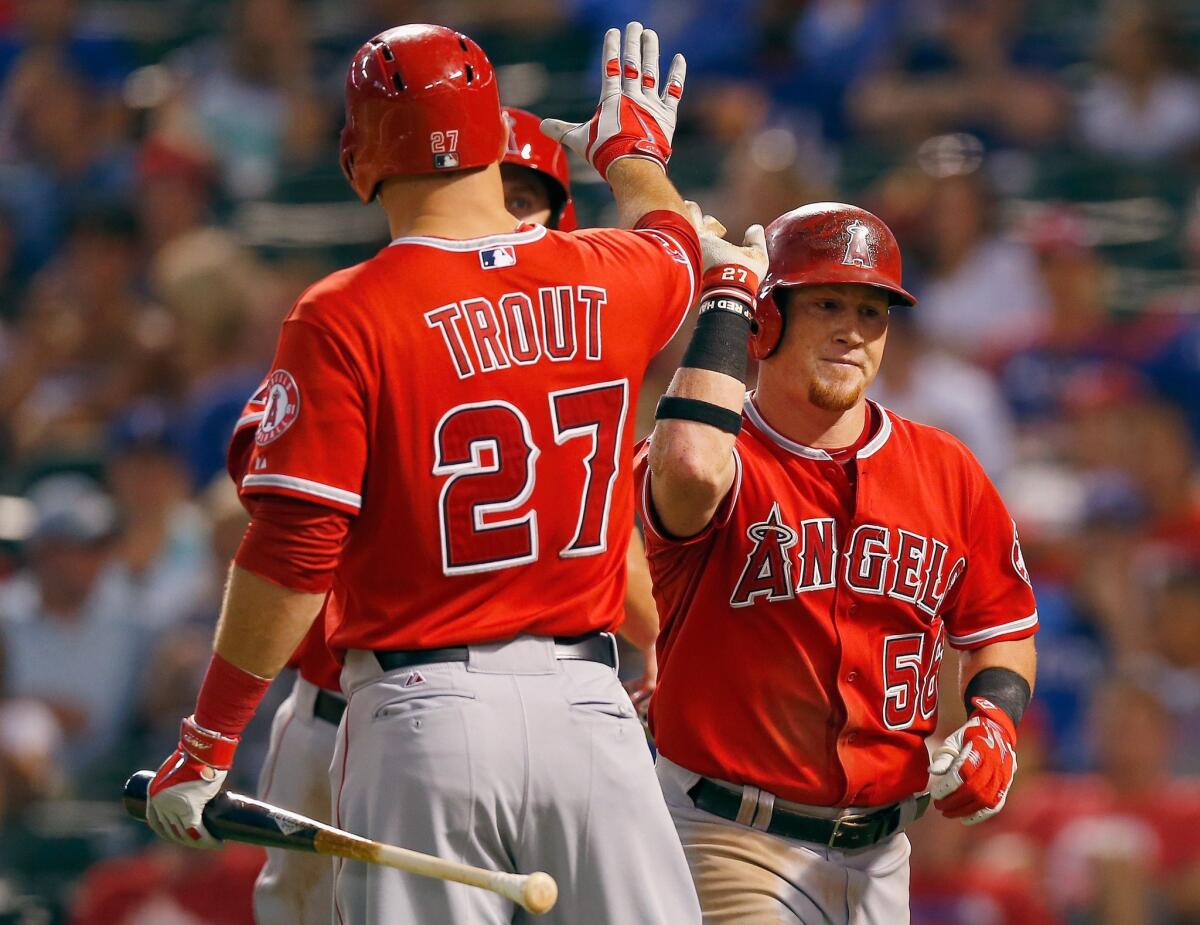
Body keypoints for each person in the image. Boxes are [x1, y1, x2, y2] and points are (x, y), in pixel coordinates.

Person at [143, 21, 704, 925]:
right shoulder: (614, 275)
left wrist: (208, 741)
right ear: (494, 136)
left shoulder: (344, 315)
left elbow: (295, 549)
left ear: (356, 155)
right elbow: (679, 237)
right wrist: (631, 151)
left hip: (422, 714)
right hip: (588, 708)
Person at [240, 100, 663, 925]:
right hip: (350, 709)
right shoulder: (366, 319)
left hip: (446, 715)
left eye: (522, 195)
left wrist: (661, 645)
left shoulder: (563, 323)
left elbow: (612, 541)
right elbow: (288, 517)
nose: (498, 209)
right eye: (485, 184)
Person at [636, 202, 1039, 923]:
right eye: (826, 303)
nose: (854, 330)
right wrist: (728, 293)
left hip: (885, 853)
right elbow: (692, 468)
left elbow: (1001, 626)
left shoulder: (946, 468)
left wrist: (995, 724)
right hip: (726, 835)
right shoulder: (716, 458)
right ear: (768, 321)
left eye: (873, 309)